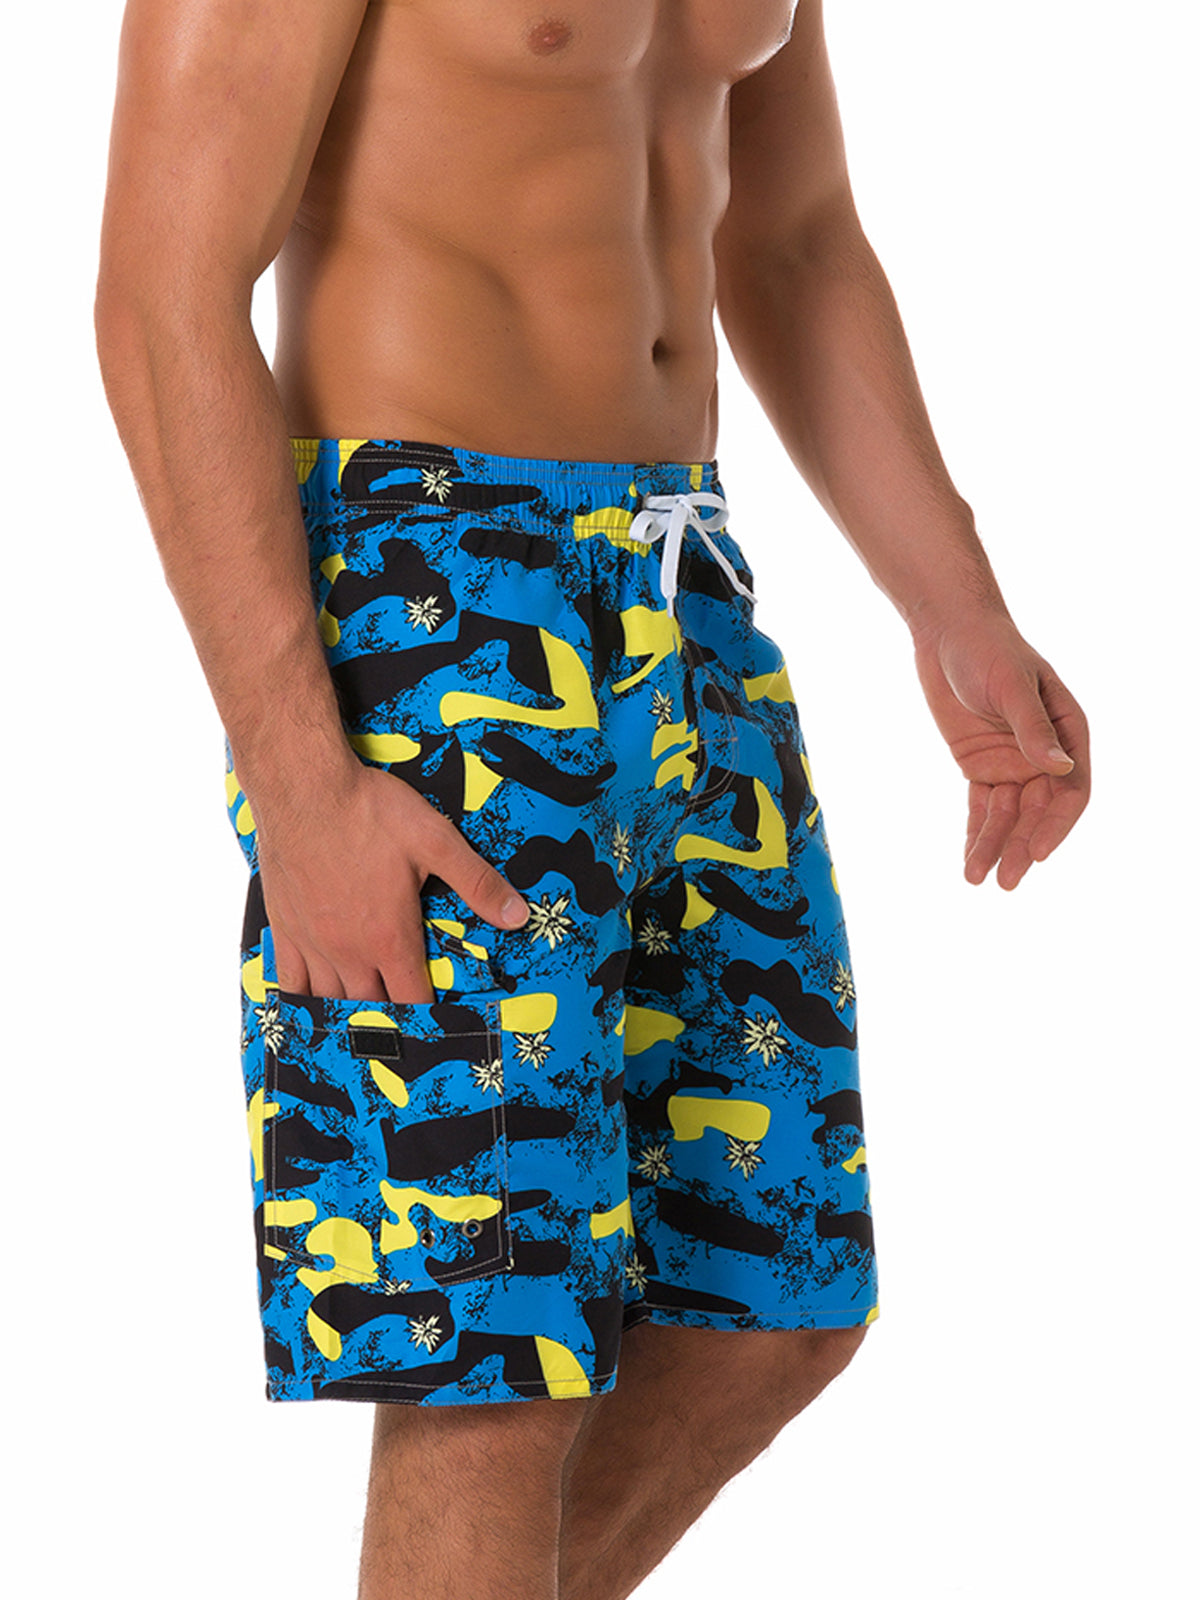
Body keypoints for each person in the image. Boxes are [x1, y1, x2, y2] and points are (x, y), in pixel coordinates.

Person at [94, 2, 1091, 1596]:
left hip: (684, 584)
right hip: (431, 599)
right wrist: (300, 784)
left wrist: (955, 607)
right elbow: (163, 289)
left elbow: (795, 235)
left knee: (772, 1300)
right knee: (495, 1364)